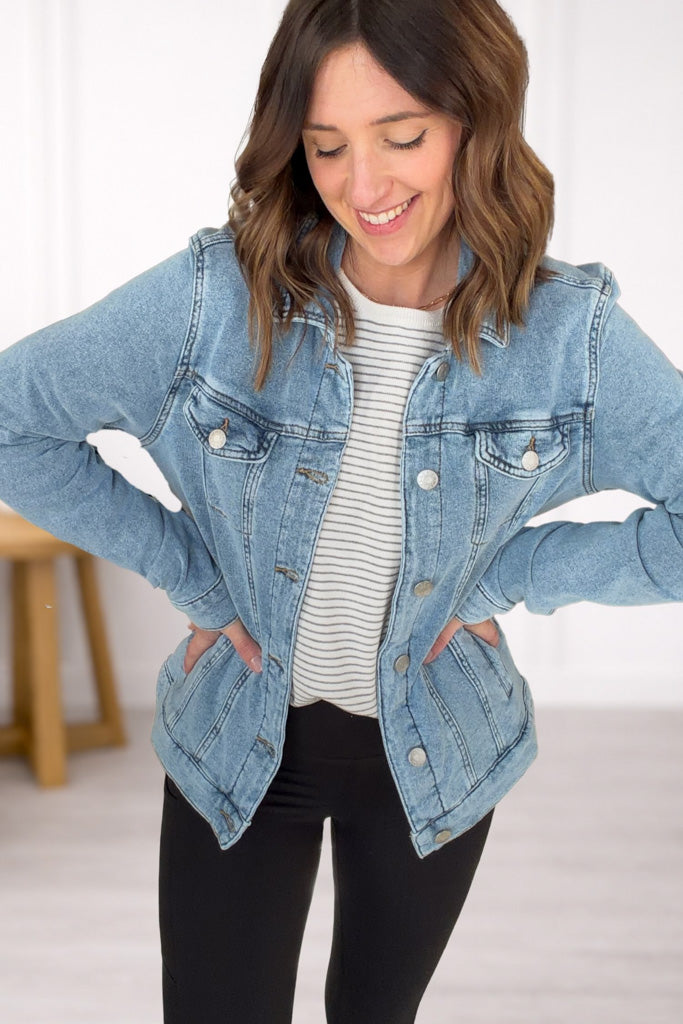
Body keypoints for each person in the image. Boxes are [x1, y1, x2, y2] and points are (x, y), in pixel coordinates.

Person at [0, 0, 681, 1021]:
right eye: (324, 147)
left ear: (474, 120)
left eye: (400, 136)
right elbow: (15, 420)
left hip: (434, 752)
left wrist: (514, 574)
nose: (362, 186)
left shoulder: (567, 335)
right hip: (238, 739)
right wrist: (193, 575)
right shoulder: (213, 297)